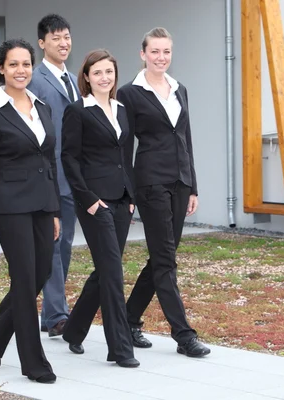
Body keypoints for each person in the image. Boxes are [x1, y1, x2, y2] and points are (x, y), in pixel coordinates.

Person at [117, 27, 211, 358]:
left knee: (161, 257)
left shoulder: (179, 89)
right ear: (143, 54)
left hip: (181, 182)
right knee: (166, 260)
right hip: (151, 182)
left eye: (166, 52)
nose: (161, 58)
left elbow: (185, 138)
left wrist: (193, 186)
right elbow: (124, 147)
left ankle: (128, 319)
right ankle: (184, 334)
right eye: (155, 51)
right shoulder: (130, 93)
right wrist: (126, 193)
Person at [0, 38, 61, 384]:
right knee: (24, 281)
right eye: (13, 64)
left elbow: (49, 162)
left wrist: (54, 209)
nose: (21, 70)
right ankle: (34, 362)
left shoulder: (43, 108)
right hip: (9, 209)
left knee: (39, 276)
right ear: (1, 69)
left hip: (42, 205)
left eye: (26, 64)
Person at [61, 49, 139, 368]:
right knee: (113, 273)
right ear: (87, 77)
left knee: (106, 269)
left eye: (109, 72)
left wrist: (131, 196)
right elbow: (69, 158)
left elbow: (126, 156)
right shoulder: (77, 111)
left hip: (122, 199)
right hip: (94, 202)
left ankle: (73, 330)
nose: (104, 77)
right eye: (97, 73)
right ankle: (119, 348)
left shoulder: (122, 110)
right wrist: (89, 199)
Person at [27, 14, 80, 338]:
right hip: (50, 177)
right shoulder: (34, 79)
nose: (63, 43)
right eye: (56, 37)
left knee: (66, 244)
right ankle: (57, 314)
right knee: (53, 245)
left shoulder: (74, 80)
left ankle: (51, 314)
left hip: (74, 178)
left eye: (67, 37)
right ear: (42, 43)